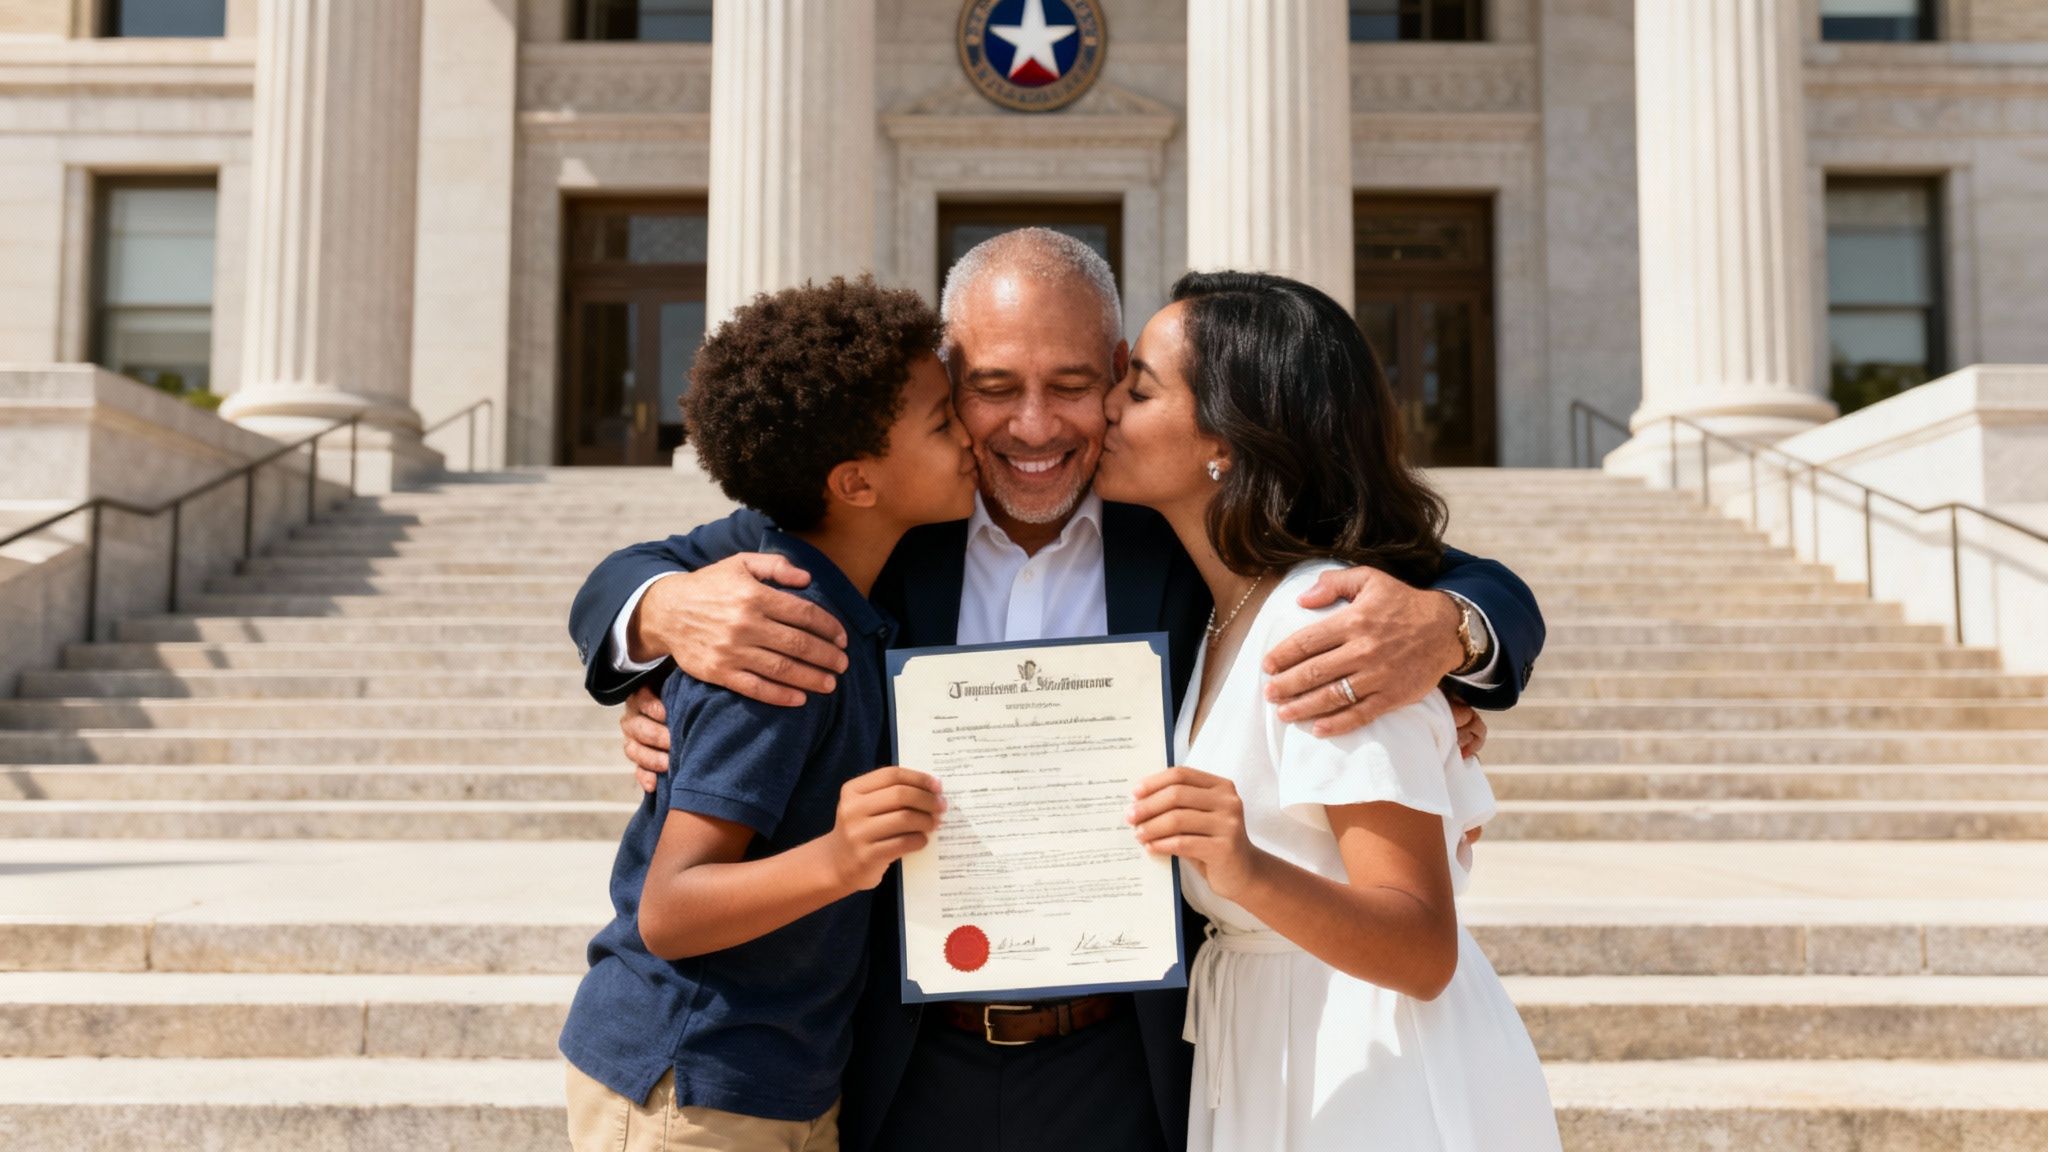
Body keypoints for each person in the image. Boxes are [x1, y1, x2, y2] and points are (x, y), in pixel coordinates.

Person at [566, 230, 1547, 1152]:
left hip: (1128, 1060)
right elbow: (629, 574)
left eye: (1072, 385)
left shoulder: (1173, 522)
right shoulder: (887, 517)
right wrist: (662, 617)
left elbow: (1452, 572)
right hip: (902, 1057)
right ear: (947, 385)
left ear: (1120, 374)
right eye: (993, 388)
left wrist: (1446, 631)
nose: (1033, 426)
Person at [1112, 271, 1561, 1150]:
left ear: (1228, 442)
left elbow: (1421, 947)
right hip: (1265, 1038)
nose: (1104, 414)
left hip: (1369, 1067)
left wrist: (1242, 866)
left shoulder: (1343, 628)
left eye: (1138, 389)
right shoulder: (1223, 610)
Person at [557, 277, 975, 1151]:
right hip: (694, 1081)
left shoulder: (844, 595)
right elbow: (670, 910)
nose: (972, 433)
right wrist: (843, 856)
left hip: (778, 1080)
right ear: (856, 481)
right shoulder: (773, 636)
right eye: (945, 421)